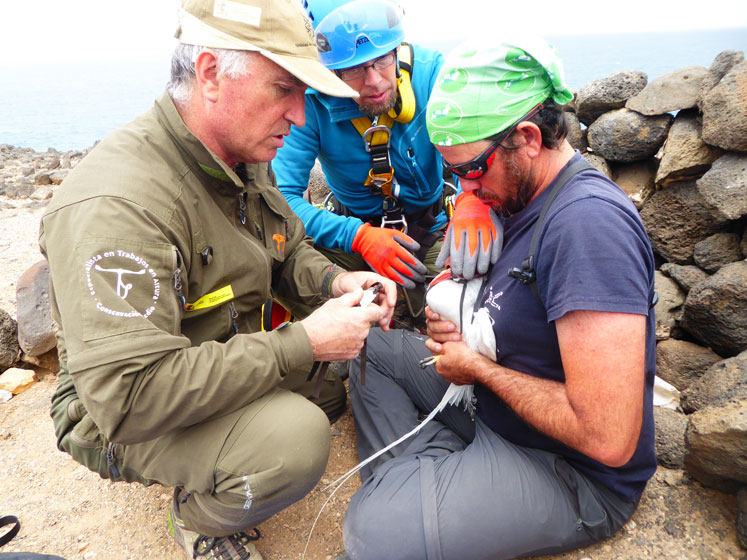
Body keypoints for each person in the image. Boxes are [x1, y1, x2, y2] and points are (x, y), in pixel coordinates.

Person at [39, 1, 397, 559]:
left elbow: (285, 246)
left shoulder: (237, 149)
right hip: (114, 411)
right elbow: (127, 398)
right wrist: (301, 342)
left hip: (214, 348)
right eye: (283, 88)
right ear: (210, 74)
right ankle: (200, 518)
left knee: (328, 388)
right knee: (295, 442)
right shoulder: (120, 207)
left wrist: (334, 283)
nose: (301, 116)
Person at [340, 34, 657, 560]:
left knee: (370, 535)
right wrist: (460, 324)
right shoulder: (517, 194)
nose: (465, 187)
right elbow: (520, 308)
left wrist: (479, 369)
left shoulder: (588, 229)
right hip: (494, 411)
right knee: (370, 350)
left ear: (528, 138)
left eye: (470, 170)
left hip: (564, 467)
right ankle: (433, 487)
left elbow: (608, 438)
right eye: (453, 174)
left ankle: (420, 493)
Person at [273, 0, 502, 325]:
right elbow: (282, 202)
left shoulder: (431, 74)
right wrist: (358, 236)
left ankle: (388, 327)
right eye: (354, 69)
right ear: (328, 69)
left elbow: (484, 146)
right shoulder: (310, 100)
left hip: (432, 231)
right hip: (350, 242)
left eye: (382, 59)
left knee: (487, 297)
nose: (376, 81)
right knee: (276, 262)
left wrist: (473, 202)